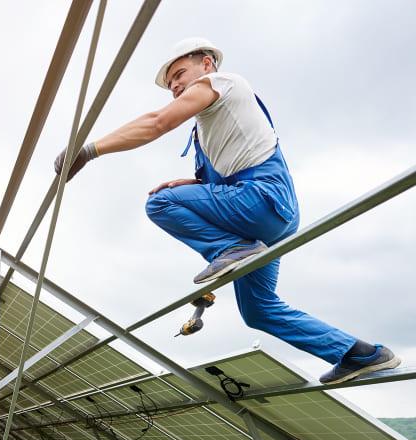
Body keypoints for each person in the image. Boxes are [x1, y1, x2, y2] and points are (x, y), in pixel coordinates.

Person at [54, 37, 400, 385]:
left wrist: (90, 150)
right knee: (259, 311)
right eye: (170, 82)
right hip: (268, 219)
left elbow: (158, 122)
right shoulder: (209, 127)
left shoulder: (223, 82)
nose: (174, 85)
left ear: (206, 64)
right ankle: (360, 353)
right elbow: (234, 160)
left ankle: (228, 249)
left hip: (261, 199)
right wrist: (190, 181)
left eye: (179, 73)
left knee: (159, 203)